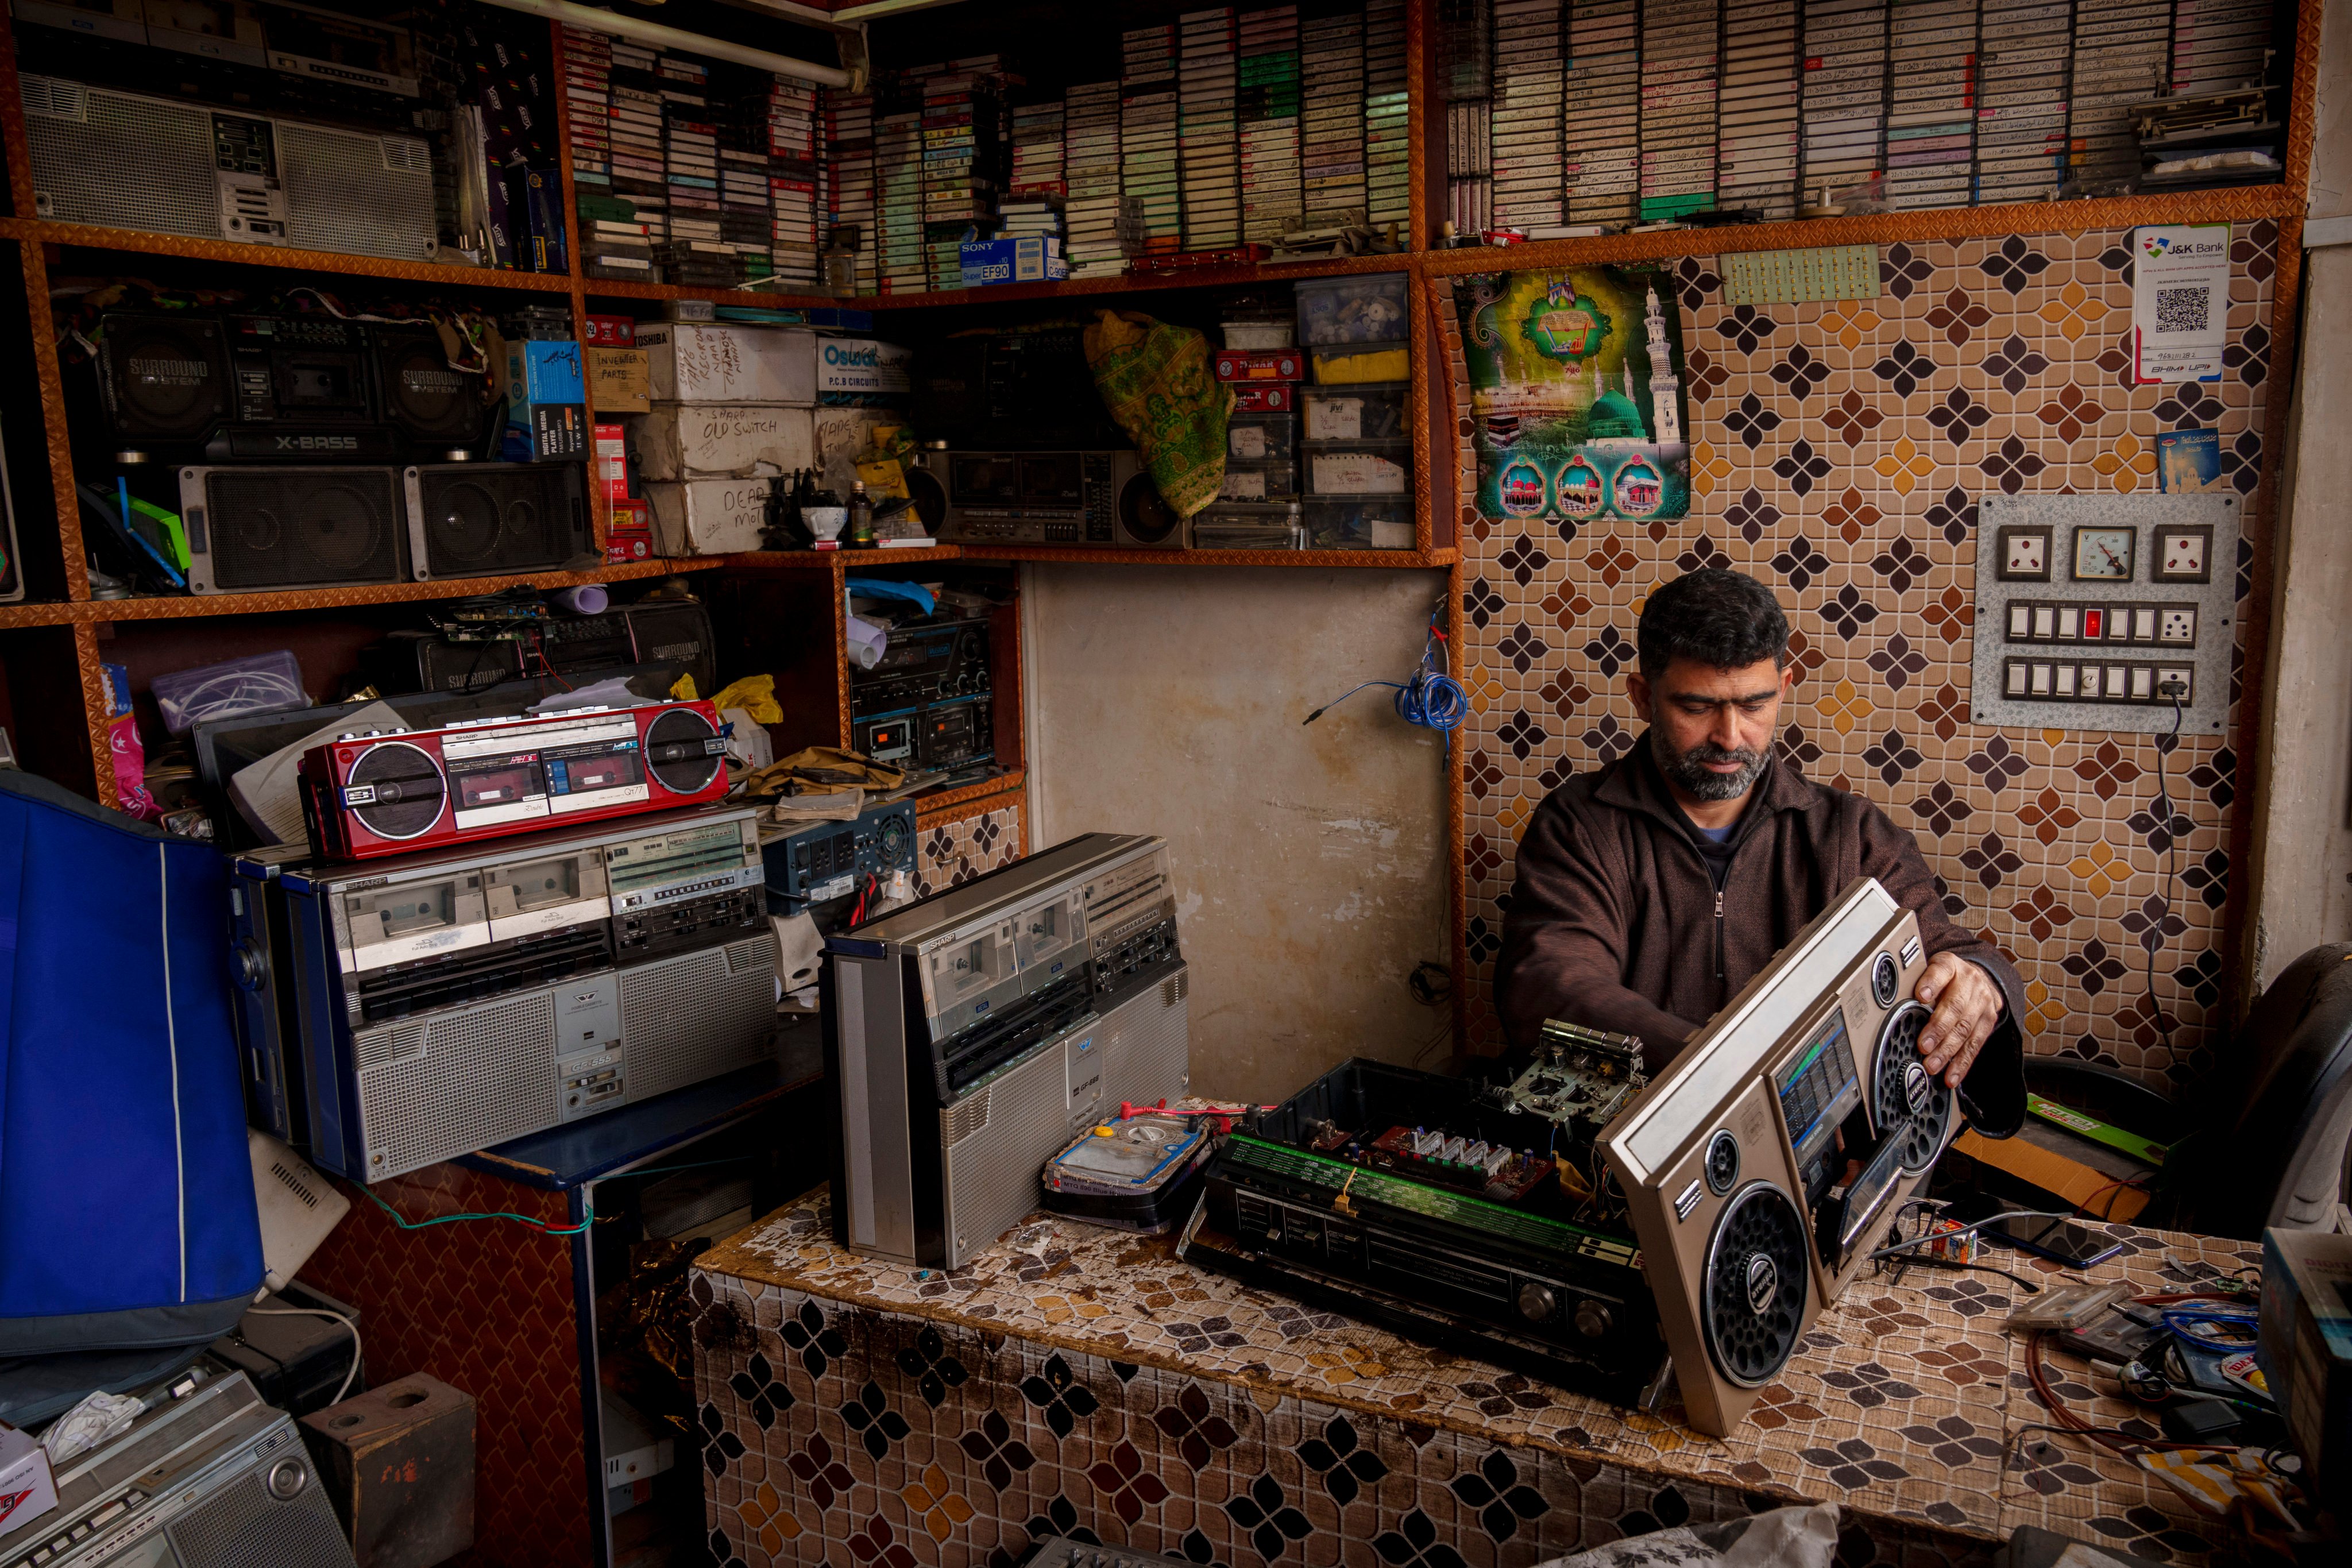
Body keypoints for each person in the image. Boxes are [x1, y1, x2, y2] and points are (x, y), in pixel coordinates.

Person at [1495, 568, 2025, 1137]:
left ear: (1785, 687)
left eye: (1754, 706)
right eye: (1697, 708)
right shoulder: (1579, 825)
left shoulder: (1851, 836)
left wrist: (1982, 979)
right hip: (1630, 1145)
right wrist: (1726, 1066)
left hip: (1814, 1159)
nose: (1729, 737)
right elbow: (1554, 982)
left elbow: (1945, 950)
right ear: (1644, 697)